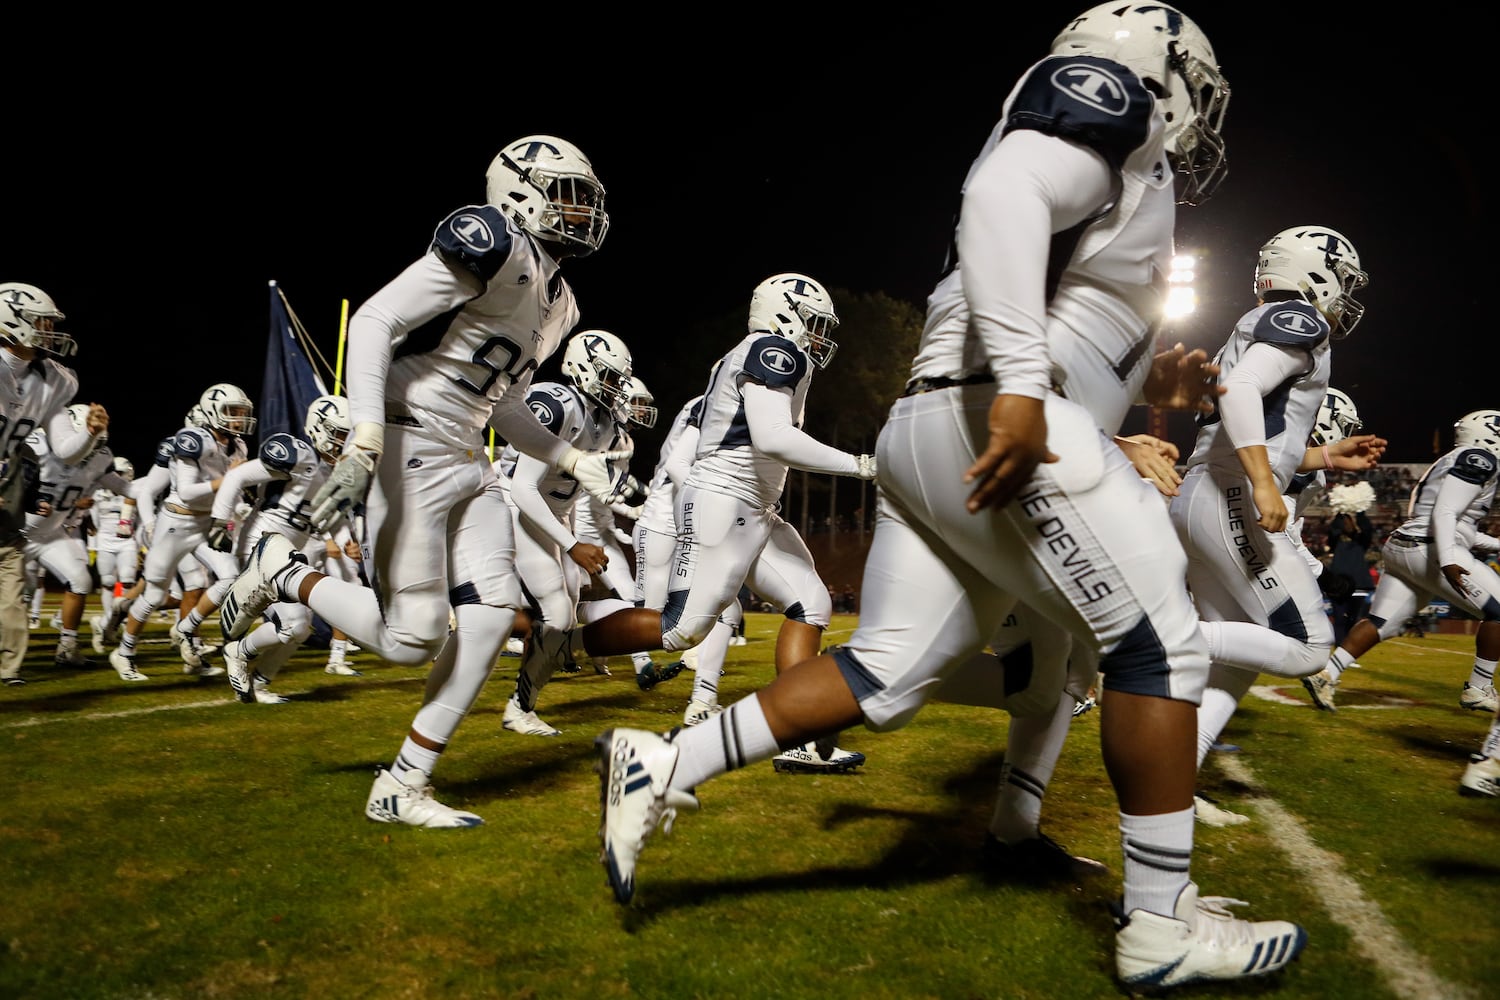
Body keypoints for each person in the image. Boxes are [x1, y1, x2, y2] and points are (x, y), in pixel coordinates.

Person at [591, 5, 1310, 991]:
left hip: (935, 425)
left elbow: (1064, 317)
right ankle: (1160, 923)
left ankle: (664, 764)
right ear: (1166, 74)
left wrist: (1156, 399)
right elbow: (1008, 192)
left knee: (885, 671)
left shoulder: (1122, 186)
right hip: (998, 415)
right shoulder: (1111, 105)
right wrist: (1019, 384)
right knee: (1162, 648)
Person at [215, 134, 641, 827]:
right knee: (411, 638)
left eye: (585, 198)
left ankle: (403, 783)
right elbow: (380, 319)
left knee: (490, 615)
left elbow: (502, 402)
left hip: (468, 452)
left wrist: (567, 459)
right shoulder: (493, 239)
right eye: (566, 194)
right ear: (521, 192)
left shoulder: (563, 305)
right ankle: (281, 571)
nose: (580, 211)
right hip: (407, 436)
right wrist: (365, 435)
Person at [527, 272, 878, 773]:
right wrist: (860, 465)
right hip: (727, 499)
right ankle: (564, 644)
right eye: (814, 323)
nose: (819, 335)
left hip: (752, 504)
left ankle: (801, 737)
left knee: (811, 603)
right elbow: (774, 437)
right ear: (785, 315)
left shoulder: (747, 353)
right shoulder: (774, 350)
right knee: (680, 629)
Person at [496, 329, 645, 736]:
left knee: (567, 603)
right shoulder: (556, 405)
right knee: (557, 611)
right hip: (518, 506)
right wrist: (574, 544)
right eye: (612, 377)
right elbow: (524, 489)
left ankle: (523, 693)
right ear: (584, 370)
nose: (619, 388)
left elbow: (582, 486)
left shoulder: (606, 423)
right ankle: (519, 707)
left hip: (557, 514)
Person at [1304, 409, 1500, 714]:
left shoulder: (1450, 459)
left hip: (1405, 545)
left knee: (1382, 623)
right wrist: (1448, 558)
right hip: (1430, 548)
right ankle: (1479, 686)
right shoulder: (1480, 458)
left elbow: (1460, 529)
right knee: (1499, 610)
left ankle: (1326, 672)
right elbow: (1445, 512)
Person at [206, 395, 351, 704]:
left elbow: (328, 515)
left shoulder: (340, 473)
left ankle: (259, 683)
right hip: (263, 543)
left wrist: (346, 540)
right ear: (320, 427)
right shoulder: (300, 455)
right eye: (339, 433)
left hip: (288, 552)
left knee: (301, 627)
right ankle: (237, 652)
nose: (343, 442)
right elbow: (237, 476)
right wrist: (220, 523)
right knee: (296, 624)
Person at [0, 282, 110, 687]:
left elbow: (64, 449)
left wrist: (93, 434)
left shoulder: (53, 379)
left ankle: (9, 666)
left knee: (9, 574)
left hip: (7, 482)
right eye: (41, 322)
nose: (49, 330)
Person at [106, 384, 255, 682]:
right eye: (232, 412)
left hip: (205, 524)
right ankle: (123, 652)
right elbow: (186, 492)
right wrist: (231, 478)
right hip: (175, 523)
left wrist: (239, 509)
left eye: (242, 412)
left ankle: (185, 629)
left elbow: (231, 492)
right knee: (154, 594)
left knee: (229, 577)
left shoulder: (238, 446)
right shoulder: (193, 439)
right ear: (212, 411)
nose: (239, 418)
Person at [23, 406, 134, 668]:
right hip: (15, 531)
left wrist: (166, 485)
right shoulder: (37, 443)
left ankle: (67, 647)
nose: (90, 449)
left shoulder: (100, 455)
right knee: (20, 593)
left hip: (51, 533)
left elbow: (124, 488)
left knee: (80, 580)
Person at [89, 455, 139, 653]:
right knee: (108, 583)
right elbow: (93, 524)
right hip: (105, 543)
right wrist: (93, 547)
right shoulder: (98, 494)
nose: (114, 477)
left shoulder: (135, 493)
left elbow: (142, 522)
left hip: (127, 543)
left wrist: (144, 545)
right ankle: (109, 620)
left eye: (118, 473)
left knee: (127, 582)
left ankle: (116, 621)